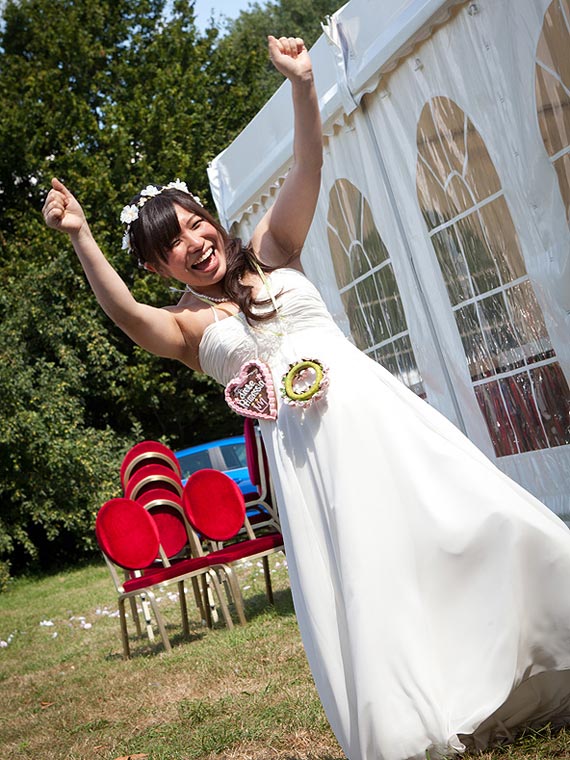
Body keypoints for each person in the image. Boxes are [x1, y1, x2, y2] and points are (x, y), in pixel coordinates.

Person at [43, 34, 570, 760]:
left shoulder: (275, 249)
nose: (195, 241)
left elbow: (309, 164)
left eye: (197, 223)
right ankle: (426, 712)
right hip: (310, 461)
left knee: (472, 518)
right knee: (373, 578)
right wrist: (81, 238)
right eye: (175, 243)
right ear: (163, 264)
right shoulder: (190, 329)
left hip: (378, 420)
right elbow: (128, 316)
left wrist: (302, 82)